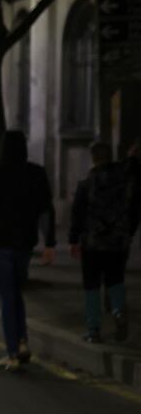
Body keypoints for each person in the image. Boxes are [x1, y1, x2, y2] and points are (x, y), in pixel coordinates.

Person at [0, 130, 55, 372]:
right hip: (24, 243)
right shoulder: (36, 173)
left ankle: (12, 350)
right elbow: (45, 210)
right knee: (16, 293)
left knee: (8, 297)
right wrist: (49, 243)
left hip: (1, 242)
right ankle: (21, 341)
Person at [68, 141, 136, 343]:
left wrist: (73, 240)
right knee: (115, 280)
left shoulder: (87, 184)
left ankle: (94, 329)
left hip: (93, 243)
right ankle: (118, 310)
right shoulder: (123, 182)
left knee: (92, 285)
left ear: (93, 158)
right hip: (118, 242)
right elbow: (132, 209)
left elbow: (77, 214)